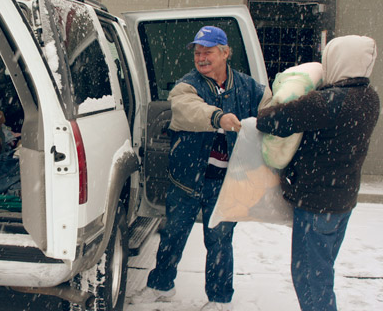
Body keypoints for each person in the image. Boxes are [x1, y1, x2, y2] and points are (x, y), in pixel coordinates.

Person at [132, 26, 271, 311]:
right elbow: (186, 109)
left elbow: (269, 104)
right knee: (172, 235)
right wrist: (218, 116)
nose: (201, 58)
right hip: (186, 179)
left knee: (220, 240)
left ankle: (220, 299)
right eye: (197, 52)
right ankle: (161, 286)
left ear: (225, 53)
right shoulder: (187, 84)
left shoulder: (247, 87)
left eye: (207, 52)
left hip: (226, 181)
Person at [256, 35, 379, 311]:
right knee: (322, 272)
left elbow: (271, 120)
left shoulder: (328, 101)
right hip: (341, 202)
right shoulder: (369, 97)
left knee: (311, 280)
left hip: (316, 205)